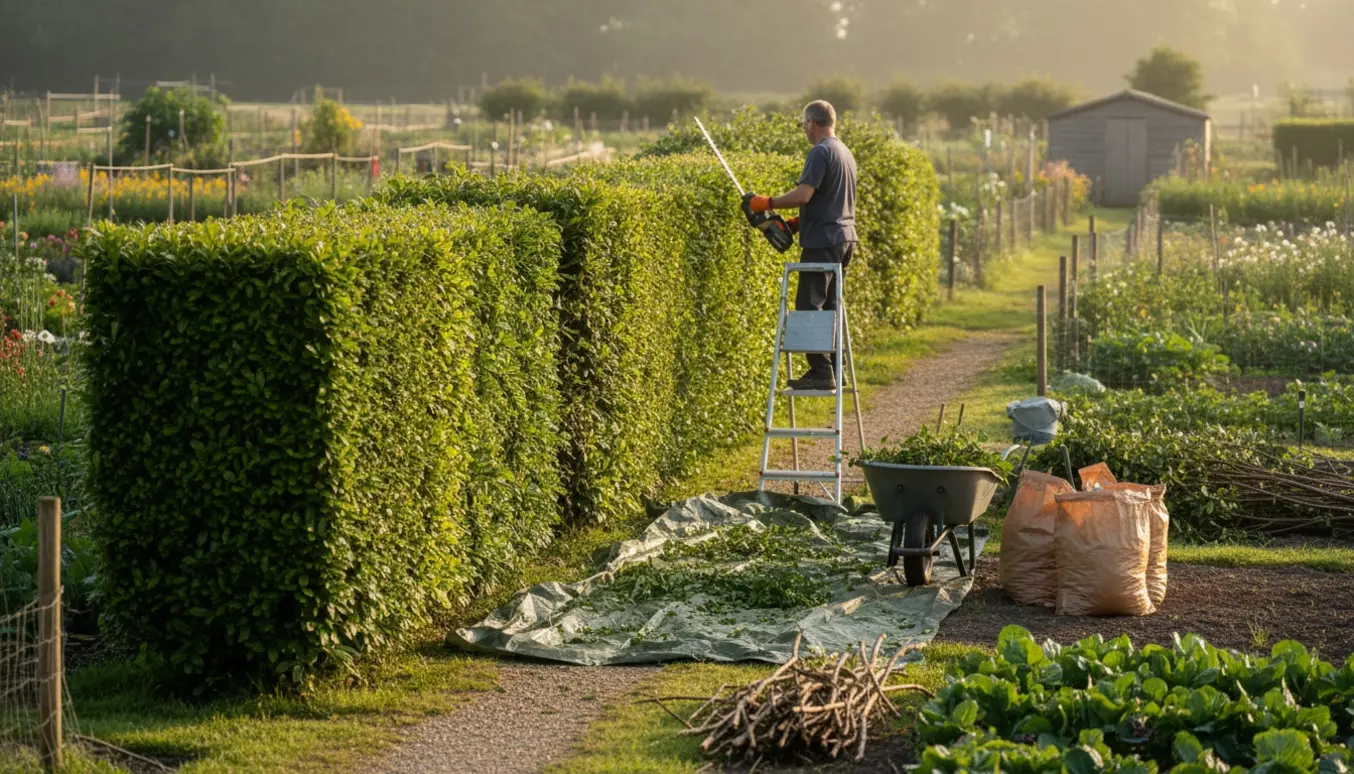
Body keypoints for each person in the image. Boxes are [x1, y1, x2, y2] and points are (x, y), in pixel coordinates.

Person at [744, 100, 857, 391]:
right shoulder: (844, 152)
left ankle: (821, 371)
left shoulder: (820, 152)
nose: (804, 131)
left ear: (812, 123)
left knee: (808, 305)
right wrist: (796, 224)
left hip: (823, 242)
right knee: (831, 305)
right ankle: (836, 368)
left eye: (803, 125)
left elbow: (805, 194)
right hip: (844, 239)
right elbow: (830, 201)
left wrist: (765, 203)